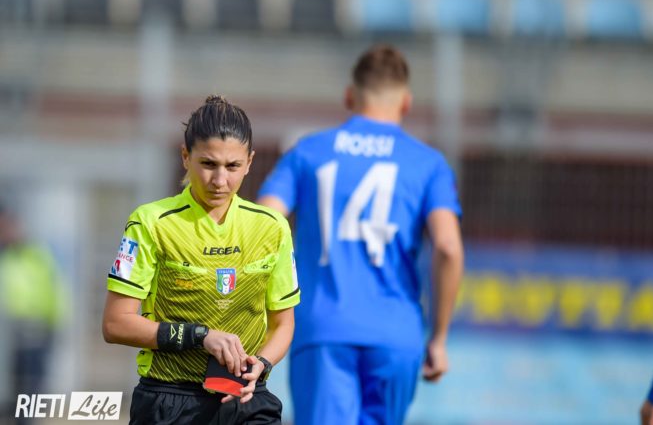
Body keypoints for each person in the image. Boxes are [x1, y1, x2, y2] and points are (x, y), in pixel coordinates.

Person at [257, 44, 464, 425]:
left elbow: (264, 222)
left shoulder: (308, 152)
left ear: (349, 96)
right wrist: (438, 337)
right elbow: (448, 246)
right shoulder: (428, 163)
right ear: (406, 103)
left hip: (323, 329)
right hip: (397, 334)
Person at [102, 95, 300, 425]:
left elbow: (283, 323)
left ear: (249, 162)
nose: (220, 181)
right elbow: (115, 324)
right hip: (169, 400)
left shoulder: (272, 227)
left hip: (247, 398)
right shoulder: (151, 223)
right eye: (208, 164)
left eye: (232, 166)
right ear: (185, 156)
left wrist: (263, 364)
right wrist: (200, 335)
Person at [0, 205, 67, 425]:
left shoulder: (36, 254)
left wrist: (56, 324)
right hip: (7, 332)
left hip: (35, 331)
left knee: (31, 386)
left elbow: (56, 290)